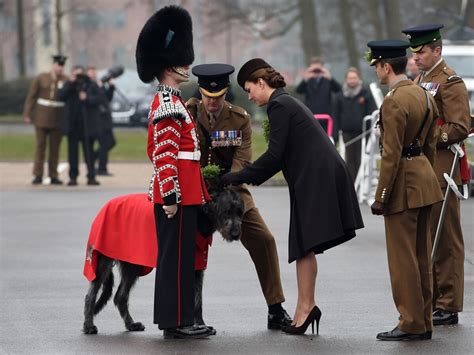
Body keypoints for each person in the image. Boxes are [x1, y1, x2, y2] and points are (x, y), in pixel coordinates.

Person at [221, 58, 364, 335]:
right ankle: (305, 307)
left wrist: (238, 176)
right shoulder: (285, 103)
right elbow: (282, 155)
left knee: (303, 243)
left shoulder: (279, 105)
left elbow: (275, 156)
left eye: (250, 89)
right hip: (315, 175)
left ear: (261, 84)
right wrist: (246, 175)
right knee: (304, 243)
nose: (249, 95)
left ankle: (306, 308)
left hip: (317, 177)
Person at [187, 63, 291, 330]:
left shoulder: (239, 118)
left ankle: (275, 309)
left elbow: (242, 161)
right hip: (194, 189)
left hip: (231, 188)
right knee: (185, 251)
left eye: (219, 97)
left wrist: (226, 188)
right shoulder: (188, 114)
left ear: (226, 94)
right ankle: (186, 315)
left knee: (264, 240)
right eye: (208, 97)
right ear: (200, 92)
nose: (213, 103)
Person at [136, 5, 212, 339]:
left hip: (187, 191)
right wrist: (169, 196)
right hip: (177, 194)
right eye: (182, 62)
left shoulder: (174, 100)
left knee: (181, 259)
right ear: (169, 68)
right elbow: (164, 155)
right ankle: (176, 322)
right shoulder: (168, 105)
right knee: (175, 260)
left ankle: (181, 318)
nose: (187, 66)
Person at [366, 40, 443, 341]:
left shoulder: (394, 101)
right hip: (423, 177)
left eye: (377, 66)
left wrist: (380, 196)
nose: (376, 71)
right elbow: (432, 142)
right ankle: (423, 320)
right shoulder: (424, 93)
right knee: (422, 257)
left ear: (386, 66)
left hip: (404, 187)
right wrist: (429, 176)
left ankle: (410, 321)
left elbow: (391, 155)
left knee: (403, 260)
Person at [402, 24, 471, 326]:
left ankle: (449, 303)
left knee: (445, 236)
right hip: (426, 164)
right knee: (427, 234)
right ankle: (433, 298)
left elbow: (460, 126)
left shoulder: (450, 81)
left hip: (444, 165)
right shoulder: (422, 79)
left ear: (437, 51)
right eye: (414, 53)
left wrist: (428, 136)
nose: (416, 58)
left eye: (421, 52)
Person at [22, 54, 68, 185]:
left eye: (62, 66)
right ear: (53, 65)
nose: (60, 68)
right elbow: (32, 96)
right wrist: (27, 113)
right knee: (40, 146)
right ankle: (38, 174)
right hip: (41, 117)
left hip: (58, 118)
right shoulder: (42, 77)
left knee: (55, 148)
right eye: (58, 65)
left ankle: (53, 175)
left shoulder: (66, 79)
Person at [58, 65, 101, 186]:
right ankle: (73, 177)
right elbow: (61, 96)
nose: (78, 77)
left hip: (87, 125)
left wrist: (87, 98)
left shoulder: (90, 84)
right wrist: (71, 83)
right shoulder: (69, 84)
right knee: (72, 153)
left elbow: (99, 99)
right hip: (73, 125)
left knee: (89, 153)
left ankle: (91, 176)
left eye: (80, 74)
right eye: (76, 75)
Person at [333, 67, 376, 182]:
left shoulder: (366, 93)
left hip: (363, 132)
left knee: (362, 158)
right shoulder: (339, 95)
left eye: (354, 78)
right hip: (347, 132)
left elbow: (373, 112)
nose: (352, 80)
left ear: (358, 78)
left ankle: (362, 183)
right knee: (350, 159)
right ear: (346, 79)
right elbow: (336, 115)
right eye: (350, 78)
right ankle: (352, 183)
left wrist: (371, 130)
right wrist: (335, 135)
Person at [295, 57, 341, 136]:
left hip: (326, 117)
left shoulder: (327, 80)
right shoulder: (308, 81)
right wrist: (305, 79)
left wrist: (330, 78)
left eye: (318, 69)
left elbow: (338, 89)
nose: (316, 71)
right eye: (314, 69)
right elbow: (298, 90)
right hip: (311, 117)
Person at [86, 66, 116, 176]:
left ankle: (92, 157)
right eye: (91, 73)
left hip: (105, 118)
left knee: (111, 142)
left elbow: (107, 98)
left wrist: (111, 87)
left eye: (94, 73)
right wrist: (99, 88)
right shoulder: (88, 86)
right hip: (96, 119)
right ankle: (101, 168)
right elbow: (91, 100)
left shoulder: (99, 84)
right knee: (104, 143)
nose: (93, 75)